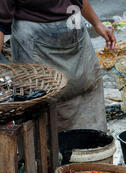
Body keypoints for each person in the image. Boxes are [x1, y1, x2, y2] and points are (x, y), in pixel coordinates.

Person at [0, 0, 116, 132]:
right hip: (36, 42)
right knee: (38, 103)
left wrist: (96, 22)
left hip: (75, 35)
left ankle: (93, 146)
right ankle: (48, 149)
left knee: (86, 93)